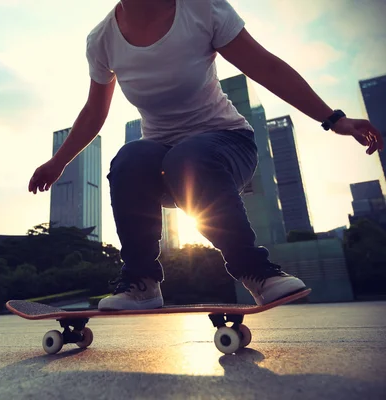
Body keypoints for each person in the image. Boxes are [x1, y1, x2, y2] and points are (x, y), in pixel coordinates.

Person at [28, 0, 383, 311]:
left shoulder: (201, 8)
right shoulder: (102, 39)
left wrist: (333, 119)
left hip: (227, 147)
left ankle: (257, 272)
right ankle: (141, 283)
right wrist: (57, 162)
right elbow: (95, 110)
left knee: (188, 157)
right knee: (129, 159)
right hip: (165, 168)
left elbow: (266, 67)